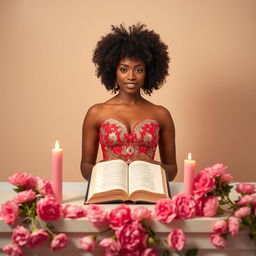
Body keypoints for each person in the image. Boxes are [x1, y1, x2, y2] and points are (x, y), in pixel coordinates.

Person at [81, 23, 177, 181]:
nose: (131, 76)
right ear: (113, 71)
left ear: (148, 72)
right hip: (110, 188)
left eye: (138, 69)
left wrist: (153, 167)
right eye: (124, 69)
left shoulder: (161, 114)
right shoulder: (96, 113)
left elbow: (172, 170)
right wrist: (104, 170)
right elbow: (85, 166)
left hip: (147, 189)